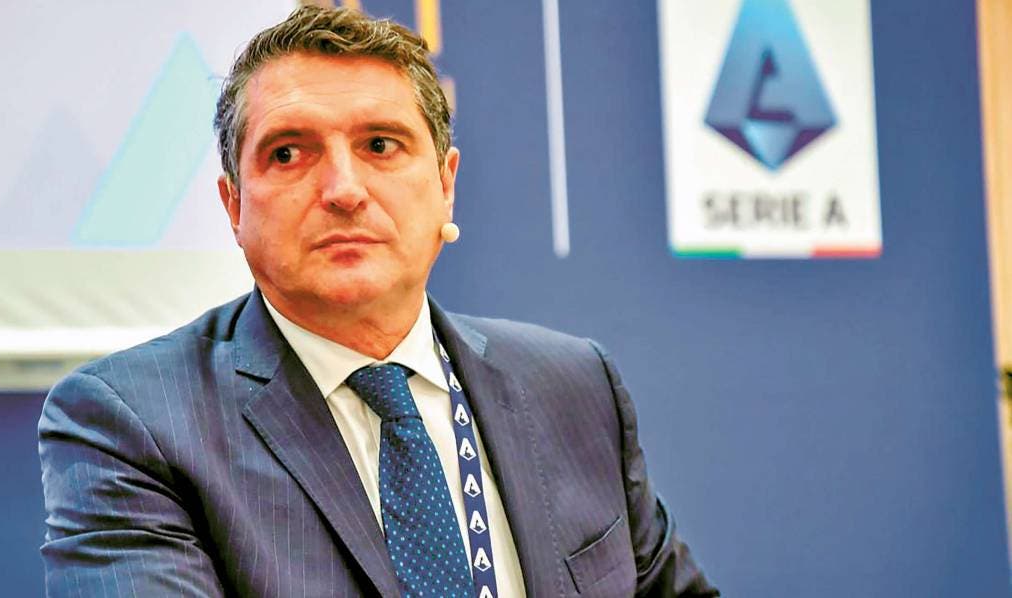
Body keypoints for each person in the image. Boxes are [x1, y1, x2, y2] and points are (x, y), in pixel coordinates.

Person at [38, 6, 719, 597]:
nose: (344, 189)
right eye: (288, 153)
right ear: (234, 205)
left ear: (446, 186)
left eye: (380, 145)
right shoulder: (132, 424)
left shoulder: (574, 387)